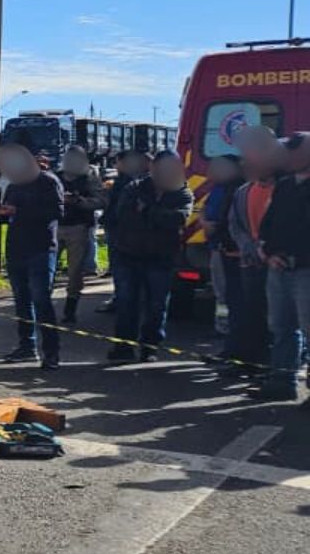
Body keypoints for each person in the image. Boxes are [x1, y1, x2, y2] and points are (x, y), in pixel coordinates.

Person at [106, 150, 195, 363]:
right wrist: (156, 214)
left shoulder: (182, 192)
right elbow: (124, 215)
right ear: (153, 168)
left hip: (160, 257)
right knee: (127, 303)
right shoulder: (134, 188)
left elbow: (178, 219)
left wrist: (147, 211)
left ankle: (149, 347)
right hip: (128, 254)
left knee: (156, 306)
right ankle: (123, 347)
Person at [0, 146, 64, 369]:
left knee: (42, 302)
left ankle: (51, 352)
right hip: (16, 248)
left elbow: (56, 212)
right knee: (22, 301)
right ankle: (26, 346)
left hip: (41, 248)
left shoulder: (49, 182)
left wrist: (16, 211)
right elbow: (9, 214)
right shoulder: (13, 186)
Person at [258, 133, 310, 401]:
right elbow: (269, 224)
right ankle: (281, 382)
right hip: (279, 268)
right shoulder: (285, 186)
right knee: (281, 327)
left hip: (306, 269)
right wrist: (267, 252)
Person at [227, 139, 279, 381]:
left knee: (280, 319)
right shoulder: (243, 192)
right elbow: (235, 224)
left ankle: (278, 365)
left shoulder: (284, 189)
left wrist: (267, 247)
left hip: (278, 264)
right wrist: (248, 246)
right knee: (253, 313)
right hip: (250, 263)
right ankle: (253, 362)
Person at [97, 149, 151, 314]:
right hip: (120, 229)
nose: (115, 165)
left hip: (122, 230)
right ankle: (124, 298)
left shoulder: (130, 182)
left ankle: (123, 300)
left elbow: (119, 207)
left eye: (117, 161)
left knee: (121, 267)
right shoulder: (125, 180)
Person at [56, 146, 105, 325]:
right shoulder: (56, 177)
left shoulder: (89, 179)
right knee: (46, 269)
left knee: (75, 271)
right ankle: (42, 307)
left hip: (78, 227)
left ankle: (70, 309)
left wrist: (78, 201)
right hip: (55, 226)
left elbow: (101, 201)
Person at [200, 154, 243, 354]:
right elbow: (206, 209)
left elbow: (229, 219)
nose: (210, 172)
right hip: (216, 246)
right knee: (221, 292)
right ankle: (222, 326)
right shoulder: (216, 188)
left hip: (228, 248)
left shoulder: (236, 189)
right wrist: (203, 222)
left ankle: (229, 330)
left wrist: (213, 227)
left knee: (230, 293)